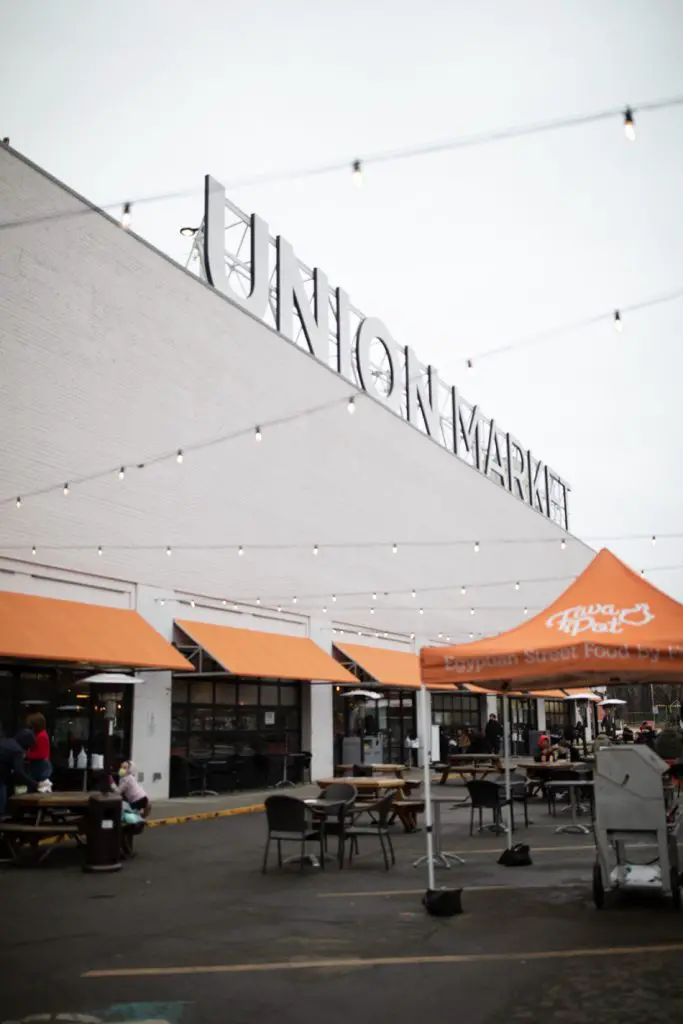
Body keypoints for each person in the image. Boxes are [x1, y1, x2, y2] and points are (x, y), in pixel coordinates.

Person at [0, 728, 38, 817]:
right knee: (2, 791)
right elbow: (19, 772)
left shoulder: (7, 741)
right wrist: (34, 784)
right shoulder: (17, 750)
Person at [25, 711, 52, 783]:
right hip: (38, 764)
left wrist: (26, 754)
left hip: (40, 765)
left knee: (40, 787)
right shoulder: (38, 734)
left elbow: (41, 754)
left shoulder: (41, 736)